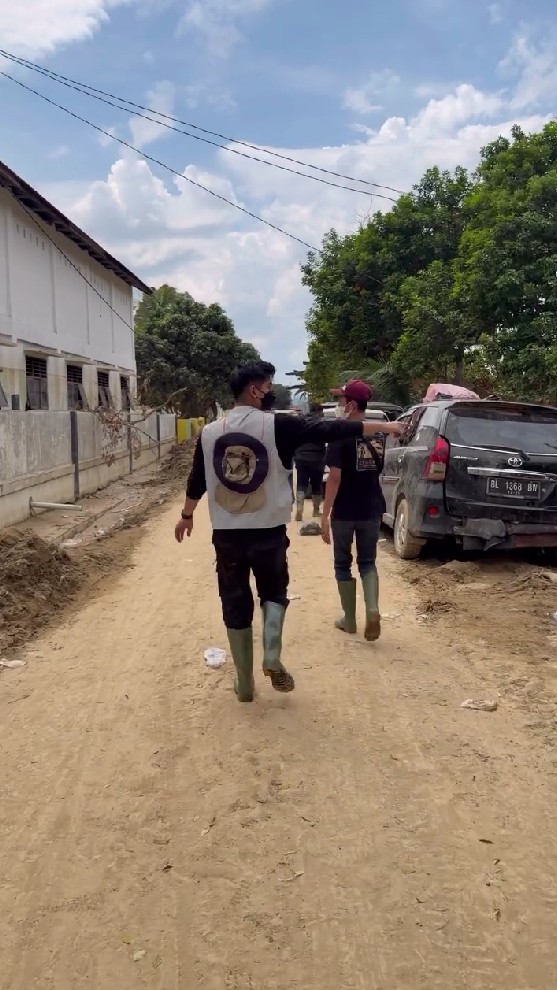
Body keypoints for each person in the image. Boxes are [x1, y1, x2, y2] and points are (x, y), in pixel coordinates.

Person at [175, 362, 403, 703]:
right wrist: (384, 426)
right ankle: (270, 653)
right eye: (268, 387)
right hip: (268, 531)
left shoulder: (209, 432)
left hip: (227, 535)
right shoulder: (279, 424)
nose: (271, 393)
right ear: (255, 390)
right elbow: (331, 429)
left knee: (234, 602)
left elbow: (197, 478)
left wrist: (187, 514)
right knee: (274, 593)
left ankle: (245, 683)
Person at [321, 379, 388, 643]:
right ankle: (372, 609)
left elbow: (334, 478)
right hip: (371, 508)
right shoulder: (378, 434)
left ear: (350, 405)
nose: (338, 405)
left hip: (345, 512)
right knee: (368, 562)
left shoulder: (340, 434)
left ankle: (349, 620)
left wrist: (324, 515)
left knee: (342, 564)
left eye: (340, 400)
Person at [294, 403, 326, 522]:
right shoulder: (322, 423)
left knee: (301, 483)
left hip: (301, 457)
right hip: (317, 458)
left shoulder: (300, 422)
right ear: (319, 411)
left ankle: (299, 508)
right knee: (316, 485)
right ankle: (316, 511)